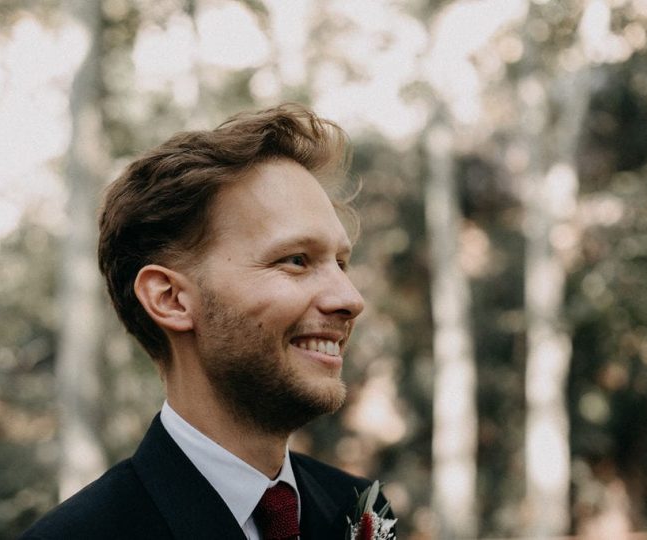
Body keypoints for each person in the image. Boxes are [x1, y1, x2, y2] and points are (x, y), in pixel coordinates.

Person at [21, 104, 393, 539]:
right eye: (296, 260)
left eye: (341, 264)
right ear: (172, 299)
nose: (351, 300)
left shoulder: (359, 508)